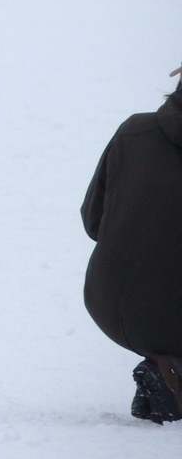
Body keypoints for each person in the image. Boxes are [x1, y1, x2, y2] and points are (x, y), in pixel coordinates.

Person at [82, 62, 182, 424]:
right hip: (168, 315)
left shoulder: (133, 130)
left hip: (105, 301)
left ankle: (166, 373)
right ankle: (174, 376)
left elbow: (93, 221)